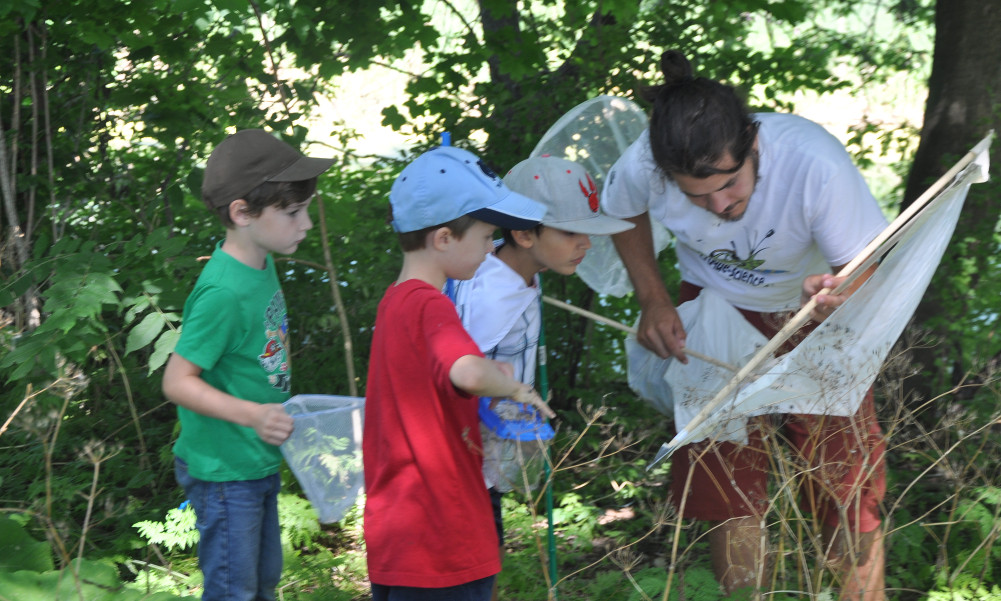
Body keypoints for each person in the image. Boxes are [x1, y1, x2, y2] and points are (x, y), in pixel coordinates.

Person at [602, 50, 889, 601]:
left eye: (730, 184)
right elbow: (622, 210)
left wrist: (841, 293)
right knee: (728, 481)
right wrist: (654, 300)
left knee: (844, 483)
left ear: (753, 144)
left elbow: (869, 263)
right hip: (712, 307)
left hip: (811, 314)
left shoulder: (813, 163)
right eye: (697, 195)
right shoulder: (645, 161)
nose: (718, 206)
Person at [363, 145, 556, 601]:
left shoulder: (395, 303)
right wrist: (514, 387)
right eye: (487, 235)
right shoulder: (432, 305)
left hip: (398, 537)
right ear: (444, 238)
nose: (492, 247)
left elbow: (441, 379)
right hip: (443, 543)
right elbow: (467, 373)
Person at [162, 129, 335, 601]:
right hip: (224, 470)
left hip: (255, 459)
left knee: (262, 584)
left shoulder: (261, 263)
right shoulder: (224, 291)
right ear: (242, 213)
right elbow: (177, 381)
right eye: (293, 212)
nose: (304, 225)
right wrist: (255, 415)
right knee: (232, 590)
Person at [451, 156, 634, 599]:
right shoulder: (493, 293)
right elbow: (457, 372)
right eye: (571, 232)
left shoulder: (513, 271)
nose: (585, 244)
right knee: (474, 571)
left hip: (480, 463)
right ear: (524, 233)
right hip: (463, 464)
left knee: (483, 562)